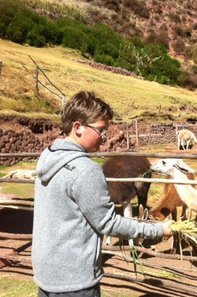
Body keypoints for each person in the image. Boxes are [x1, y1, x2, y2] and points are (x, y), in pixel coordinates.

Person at [32, 91, 173, 297]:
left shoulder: (47, 157)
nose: (104, 138)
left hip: (47, 274)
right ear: (78, 127)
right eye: (100, 130)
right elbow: (109, 223)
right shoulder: (85, 170)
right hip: (75, 280)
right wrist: (158, 230)